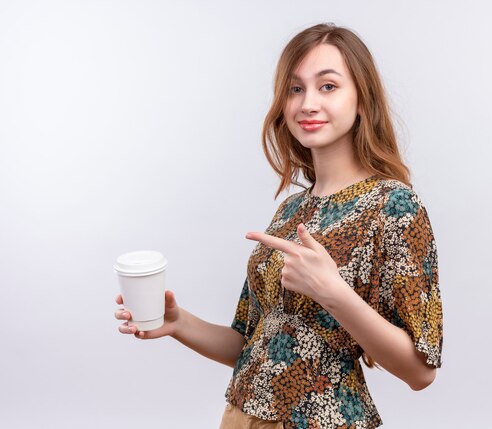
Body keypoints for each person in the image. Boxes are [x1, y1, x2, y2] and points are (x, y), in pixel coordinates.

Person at [115, 22, 443, 429]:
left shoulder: (394, 204)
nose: (307, 103)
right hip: (239, 417)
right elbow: (250, 342)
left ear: (362, 99)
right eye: (294, 89)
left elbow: (421, 372)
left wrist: (332, 292)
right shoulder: (290, 211)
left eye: (327, 86)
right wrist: (178, 322)